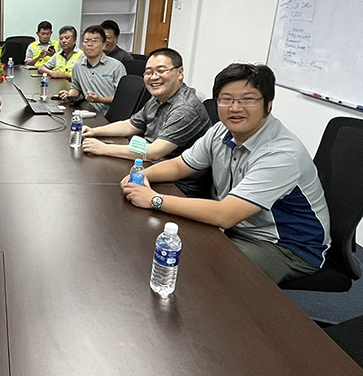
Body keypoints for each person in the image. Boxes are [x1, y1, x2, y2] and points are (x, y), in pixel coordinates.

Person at [121, 63, 330, 284]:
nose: (235, 108)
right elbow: (180, 165)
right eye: (226, 99)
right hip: (240, 228)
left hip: (287, 246)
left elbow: (225, 215)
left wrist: (154, 199)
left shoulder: (281, 153)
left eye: (248, 99)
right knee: (164, 245)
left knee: (201, 272)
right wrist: (142, 175)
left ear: (268, 104)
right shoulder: (222, 130)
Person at [82, 48, 211, 197]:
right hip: (148, 166)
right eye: (148, 72)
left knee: (104, 192)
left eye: (161, 71)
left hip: (177, 186)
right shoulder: (158, 99)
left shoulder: (185, 108)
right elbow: (131, 125)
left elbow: (155, 152)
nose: (154, 77)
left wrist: (104, 148)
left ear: (180, 73)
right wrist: (94, 131)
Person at [58, 25, 125, 114]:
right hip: (86, 111)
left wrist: (100, 99)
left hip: (109, 115)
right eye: (86, 41)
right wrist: (69, 94)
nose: (89, 44)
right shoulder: (78, 66)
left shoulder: (116, 66)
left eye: (95, 41)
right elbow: (76, 89)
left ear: (103, 45)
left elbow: (122, 98)